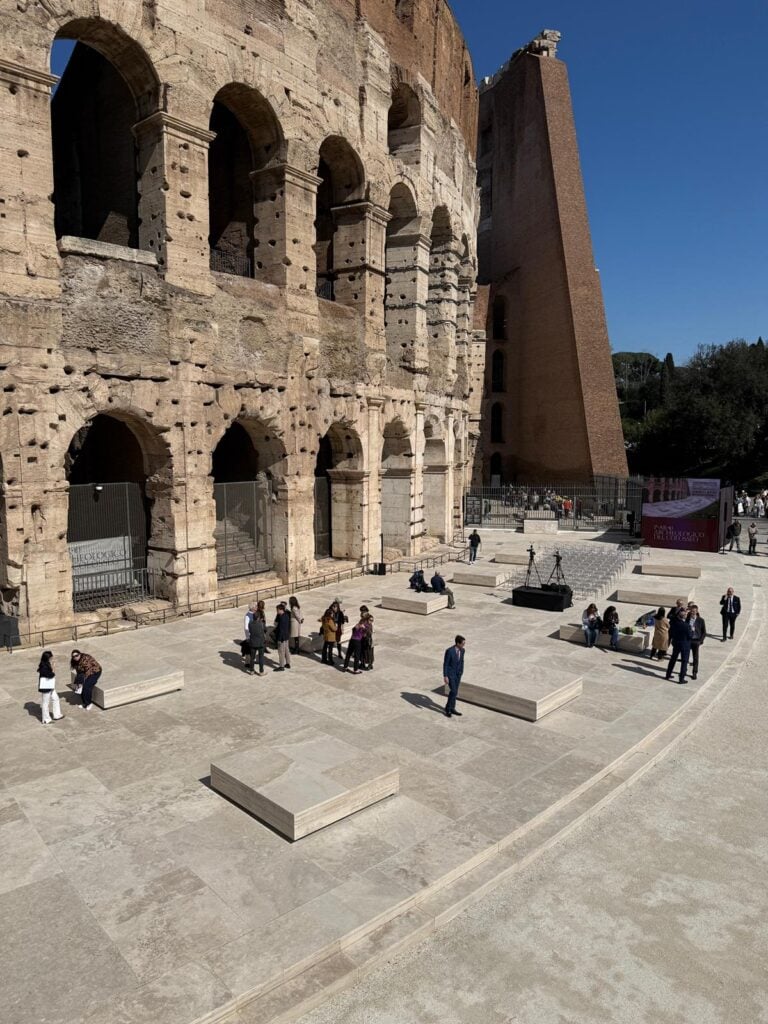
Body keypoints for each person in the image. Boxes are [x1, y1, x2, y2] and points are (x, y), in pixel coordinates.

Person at [665, 608, 692, 684]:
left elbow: (671, 632)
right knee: (684, 661)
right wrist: (692, 631)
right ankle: (681, 679)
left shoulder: (674, 623)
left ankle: (668, 674)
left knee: (673, 659)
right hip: (685, 645)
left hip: (676, 643)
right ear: (683, 617)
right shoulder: (686, 626)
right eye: (685, 614)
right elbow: (690, 636)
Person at [443, 634, 466, 718]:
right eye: (463, 643)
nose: (464, 645)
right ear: (458, 643)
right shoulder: (449, 651)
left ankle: (452, 708)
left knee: (455, 692)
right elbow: (445, 664)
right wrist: (445, 676)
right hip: (451, 675)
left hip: (458, 674)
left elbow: (462, 661)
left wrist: (461, 671)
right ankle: (448, 708)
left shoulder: (462, 650)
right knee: (453, 691)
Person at [37, 650, 63, 725]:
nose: (52, 658)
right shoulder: (43, 667)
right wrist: (54, 667)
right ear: (47, 658)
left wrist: (51, 665)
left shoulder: (46, 663)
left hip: (50, 686)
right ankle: (46, 719)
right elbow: (51, 675)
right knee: (45, 703)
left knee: (55, 698)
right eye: (51, 657)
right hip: (46, 687)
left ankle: (57, 715)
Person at [687, 604, 706, 681]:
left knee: (695, 657)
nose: (693, 613)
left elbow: (704, 632)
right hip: (688, 640)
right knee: (685, 657)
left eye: (694, 611)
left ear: (697, 611)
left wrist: (700, 641)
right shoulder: (687, 619)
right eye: (692, 611)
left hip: (696, 640)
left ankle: (694, 672)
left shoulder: (701, 620)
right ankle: (684, 670)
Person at [248, 606, 266, 676]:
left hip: (252, 642)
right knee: (261, 657)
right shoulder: (261, 624)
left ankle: (251, 671)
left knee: (252, 657)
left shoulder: (250, 624)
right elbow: (265, 630)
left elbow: (250, 631)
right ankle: (261, 671)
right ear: (258, 617)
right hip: (260, 643)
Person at [273, 602, 291, 671]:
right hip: (286, 636)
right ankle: (288, 663)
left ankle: (281, 666)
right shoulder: (286, 615)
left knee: (281, 652)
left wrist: (279, 639)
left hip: (282, 638)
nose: (277, 611)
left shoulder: (282, 618)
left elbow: (281, 630)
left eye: (277, 610)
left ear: (281, 610)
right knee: (286, 650)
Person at [359, 605, 374, 670]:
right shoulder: (362, 618)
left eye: (363, 611)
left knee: (369, 652)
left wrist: (364, 628)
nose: (361, 613)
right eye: (361, 612)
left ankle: (370, 664)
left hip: (368, 638)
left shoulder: (369, 618)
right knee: (362, 651)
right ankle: (362, 663)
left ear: (366, 611)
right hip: (362, 638)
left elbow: (370, 630)